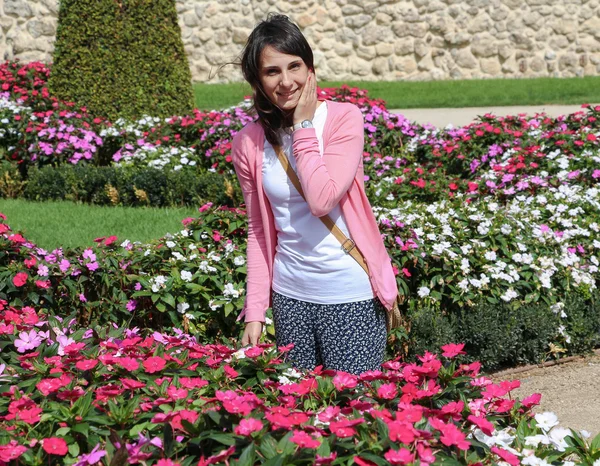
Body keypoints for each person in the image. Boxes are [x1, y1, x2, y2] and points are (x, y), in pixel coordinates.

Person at [231, 13, 398, 375]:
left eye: (295, 66)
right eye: (272, 71)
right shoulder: (248, 142)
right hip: (290, 297)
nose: (287, 81)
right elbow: (258, 230)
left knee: (354, 413)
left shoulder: (343, 119)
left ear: (310, 69)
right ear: (257, 80)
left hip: (348, 294)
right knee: (298, 417)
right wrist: (256, 310)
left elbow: (322, 198)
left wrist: (303, 127)